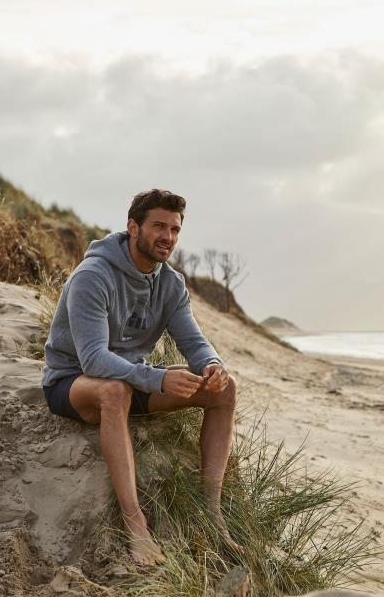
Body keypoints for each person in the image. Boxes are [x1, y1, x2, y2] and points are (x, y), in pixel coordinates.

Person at [41, 189, 241, 566]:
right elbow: (93, 360)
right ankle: (135, 524)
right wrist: (156, 380)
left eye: (175, 229)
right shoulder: (93, 276)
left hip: (134, 382)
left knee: (225, 389)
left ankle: (213, 514)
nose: (168, 236)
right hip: (73, 382)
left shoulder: (171, 284)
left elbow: (194, 343)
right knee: (115, 391)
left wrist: (212, 365)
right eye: (158, 226)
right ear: (133, 227)